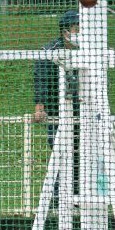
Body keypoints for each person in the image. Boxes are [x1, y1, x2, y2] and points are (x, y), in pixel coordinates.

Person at [33, 10, 81, 201]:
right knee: (60, 152)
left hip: (81, 112)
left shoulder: (88, 50)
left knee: (81, 155)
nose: (80, 32)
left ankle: (76, 196)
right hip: (57, 112)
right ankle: (57, 198)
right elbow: (41, 79)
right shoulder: (50, 51)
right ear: (65, 31)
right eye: (77, 28)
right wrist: (40, 106)